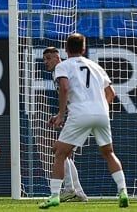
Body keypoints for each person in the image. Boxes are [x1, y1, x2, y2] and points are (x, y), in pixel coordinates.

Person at [39, 34, 128, 209]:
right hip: (102, 113)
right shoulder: (95, 66)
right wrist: (98, 107)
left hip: (79, 112)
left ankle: (55, 195)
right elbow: (111, 94)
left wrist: (61, 114)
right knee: (109, 153)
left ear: (65, 49)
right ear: (84, 48)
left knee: (59, 153)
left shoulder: (63, 66)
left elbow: (64, 88)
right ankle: (123, 191)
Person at [42, 47, 87, 203]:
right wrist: (60, 114)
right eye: (44, 59)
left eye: (48, 58)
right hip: (83, 112)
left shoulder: (62, 69)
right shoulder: (59, 72)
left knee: (59, 150)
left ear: (57, 57)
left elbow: (68, 91)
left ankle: (70, 190)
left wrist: (61, 115)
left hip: (83, 114)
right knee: (64, 153)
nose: (45, 62)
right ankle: (78, 192)